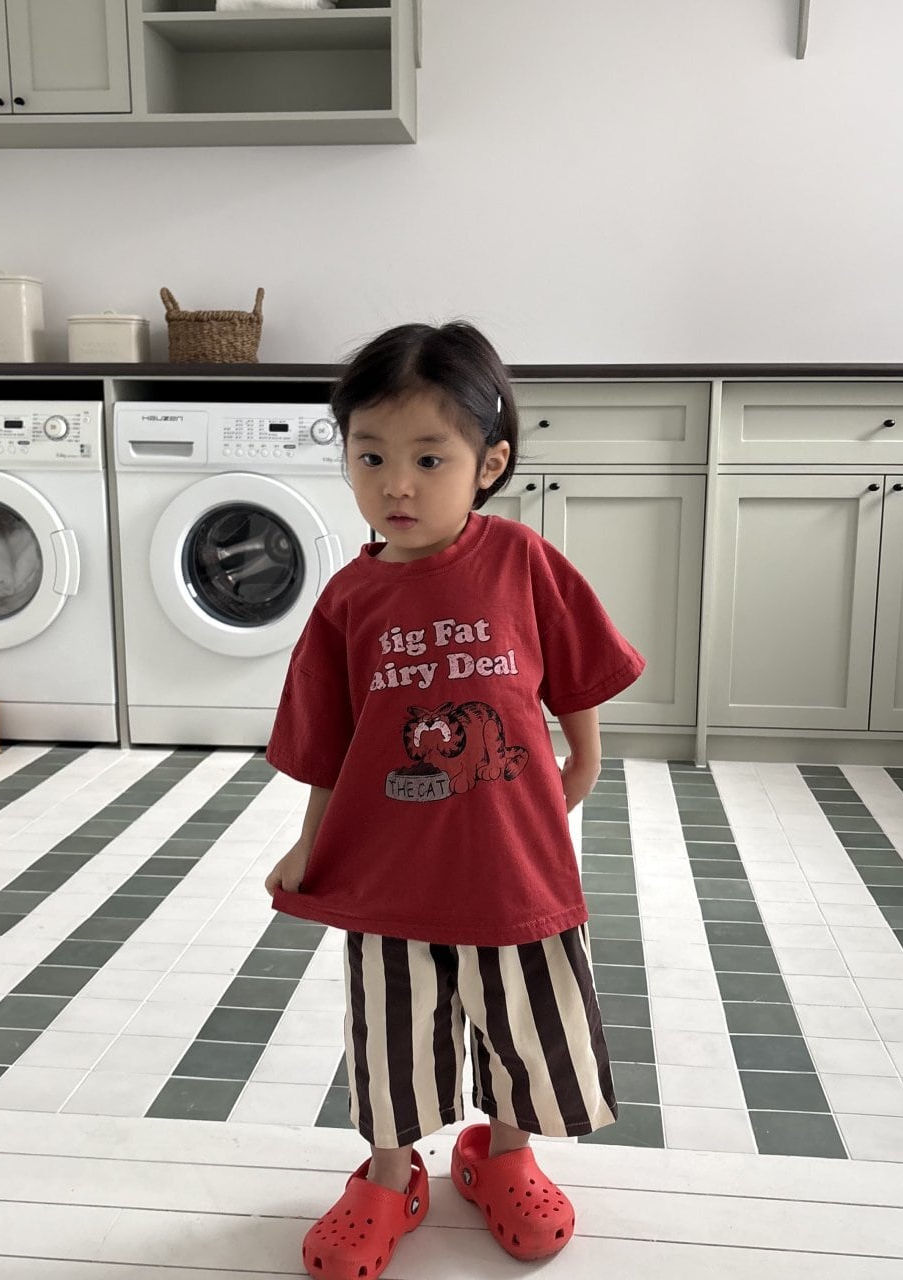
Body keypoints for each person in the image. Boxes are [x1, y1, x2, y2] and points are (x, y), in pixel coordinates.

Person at [264, 320, 645, 1280]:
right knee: (392, 1036)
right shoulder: (348, 601)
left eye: (429, 459)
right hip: (387, 874)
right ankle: (390, 1178)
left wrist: (584, 762)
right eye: (371, 457)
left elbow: (578, 669)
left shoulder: (521, 559)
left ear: (489, 464)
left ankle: (502, 1157)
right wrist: (309, 844)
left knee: (527, 1026)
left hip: (515, 866)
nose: (397, 484)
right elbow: (329, 747)